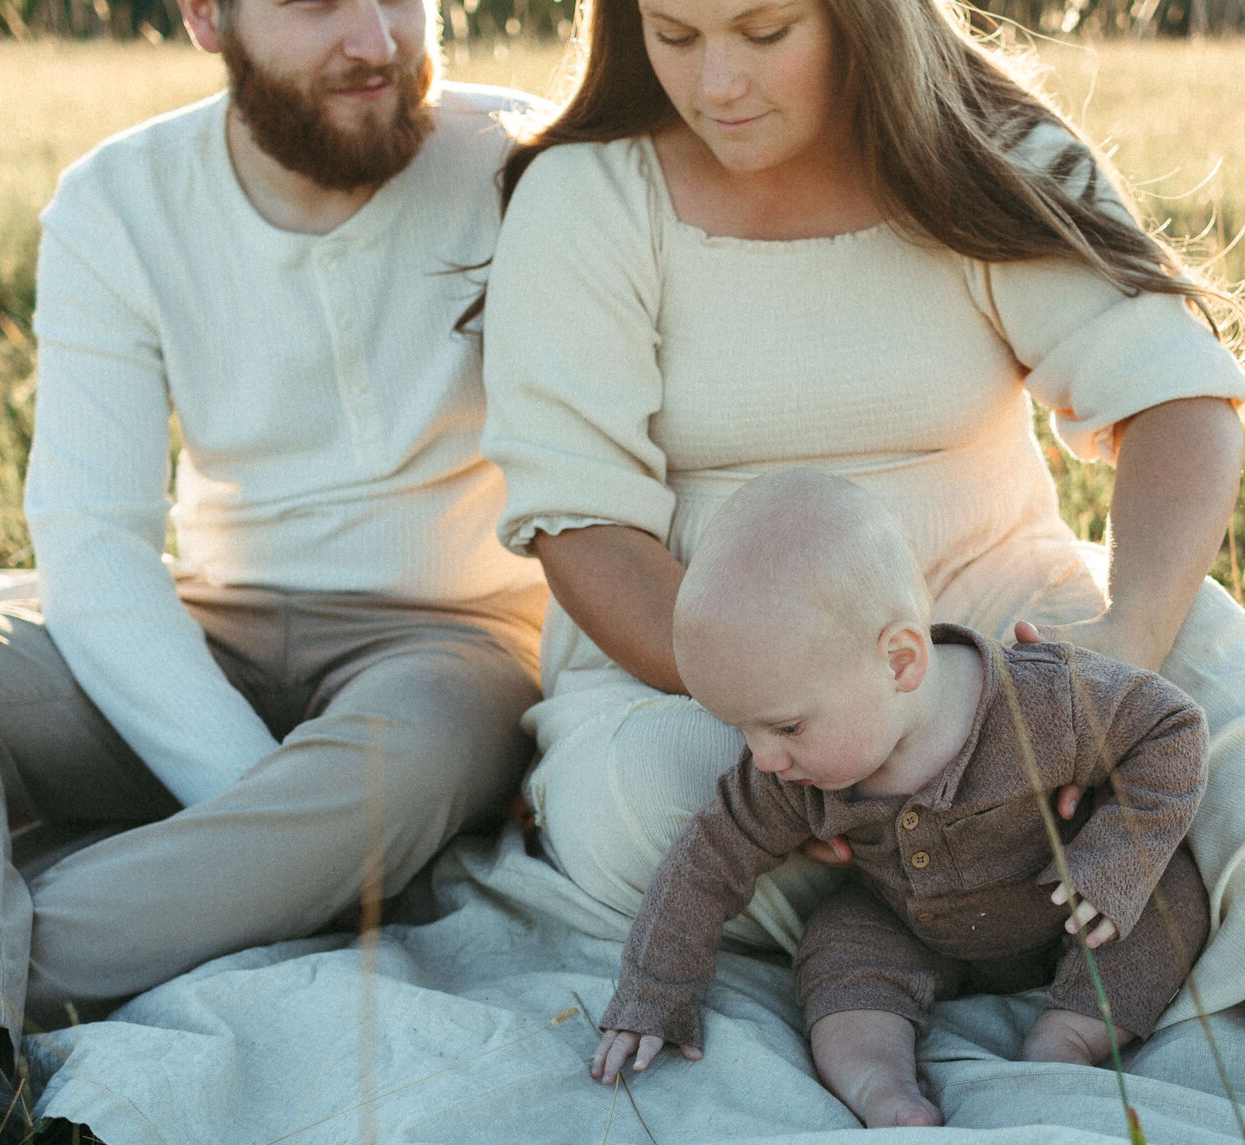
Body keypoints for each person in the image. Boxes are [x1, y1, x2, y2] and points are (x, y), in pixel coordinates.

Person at [0, 0, 546, 1134]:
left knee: (393, 774)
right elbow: (93, 537)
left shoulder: (529, 166)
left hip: (448, 644)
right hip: (211, 614)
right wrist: (248, 800)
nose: (374, 37)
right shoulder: (120, 200)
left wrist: (291, 818)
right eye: (317, 2)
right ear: (206, 18)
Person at [476, 0, 1245, 1057]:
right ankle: (1019, 898)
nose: (716, 87)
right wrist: (810, 730)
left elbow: (1176, 403)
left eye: (763, 32)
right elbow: (584, 526)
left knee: (1220, 684)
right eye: (674, 34)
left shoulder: (985, 151)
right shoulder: (588, 195)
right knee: (643, 799)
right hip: (726, 684)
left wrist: (1124, 646)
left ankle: (967, 897)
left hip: (1000, 636)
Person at [590, 468, 1210, 1129]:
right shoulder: (784, 773)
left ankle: (1069, 1035)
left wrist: (1114, 857)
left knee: (1169, 899)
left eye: (787, 726)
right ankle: (882, 1087)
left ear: (901, 661)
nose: (763, 756)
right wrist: (653, 991)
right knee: (838, 949)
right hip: (911, 922)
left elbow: (1171, 729)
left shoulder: (1042, 703)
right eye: (744, 728)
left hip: (1073, 902)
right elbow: (705, 859)